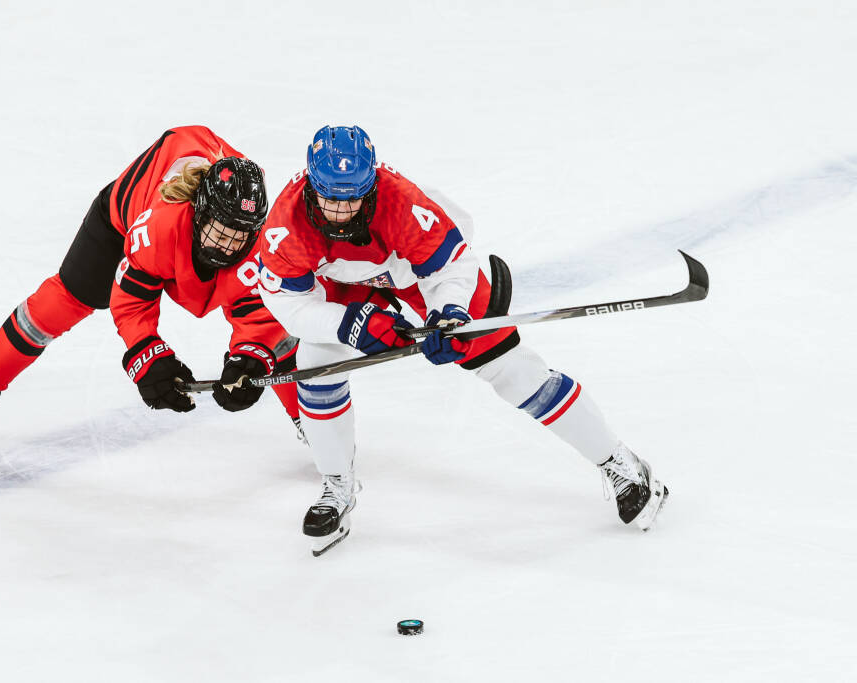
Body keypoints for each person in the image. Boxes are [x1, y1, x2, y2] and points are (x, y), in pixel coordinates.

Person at [257, 125, 668, 556]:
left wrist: (450, 312)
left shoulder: (403, 202)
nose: (339, 211)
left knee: (511, 369)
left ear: (371, 186)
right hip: (338, 278)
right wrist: (348, 324)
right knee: (315, 364)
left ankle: (621, 464)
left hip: (414, 269)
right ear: (310, 186)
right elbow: (288, 302)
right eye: (329, 200)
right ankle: (337, 484)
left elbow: (450, 265)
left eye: (351, 199)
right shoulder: (286, 225)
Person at [0, 126, 301, 455]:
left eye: (239, 236)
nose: (227, 247)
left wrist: (251, 356)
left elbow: (262, 316)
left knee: (281, 329)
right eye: (220, 233)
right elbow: (130, 301)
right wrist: (148, 354)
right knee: (61, 303)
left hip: (192, 195)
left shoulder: (257, 243)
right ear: (198, 212)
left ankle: (310, 421)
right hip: (118, 221)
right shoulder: (161, 227)